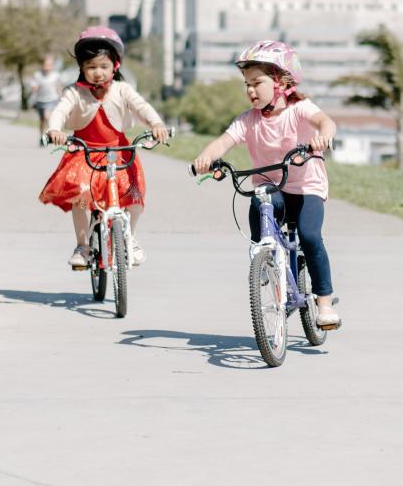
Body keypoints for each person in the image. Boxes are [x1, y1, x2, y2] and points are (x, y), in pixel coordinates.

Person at [191, 40, 341, 330]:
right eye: (246, 84)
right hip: (272, 187)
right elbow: (224, 141)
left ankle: (324, 302)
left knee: (310, 237)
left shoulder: (299, 110)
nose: (249, 90)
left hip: (306, 185)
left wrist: (323, 136)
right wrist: (206, 158)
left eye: (256, 83)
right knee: (260, 202)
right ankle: (265, 258)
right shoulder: (248, 120)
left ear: (281, 82)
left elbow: (325, 121)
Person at [39, 26, 169, 269]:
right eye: (91, 67)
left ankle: (130, 236)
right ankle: (82, 245)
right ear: (82, 68)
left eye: (103, 66)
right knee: (80, 197)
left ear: (115, 66)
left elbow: (141, 107)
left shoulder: (123, 89)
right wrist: (55, 129)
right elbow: (60, 111)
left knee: (133, 195)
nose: (98, 73)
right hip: (83, 152)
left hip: (118, 152)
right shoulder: (74, 92)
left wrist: (156, 123)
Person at [29, 54, 62, 146]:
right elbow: (34, 87)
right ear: (42, 65)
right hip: (40, 100)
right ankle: (42, 136)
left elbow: (58, 88)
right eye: (46, 65)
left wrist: (61, 98)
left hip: (52, 99)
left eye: (50, 65)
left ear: (52, 66)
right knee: (42, 120)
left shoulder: (56, 76)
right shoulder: (38, 75)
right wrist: (35, 88)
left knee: (47, 116)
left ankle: (50, 135)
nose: (47, 67)